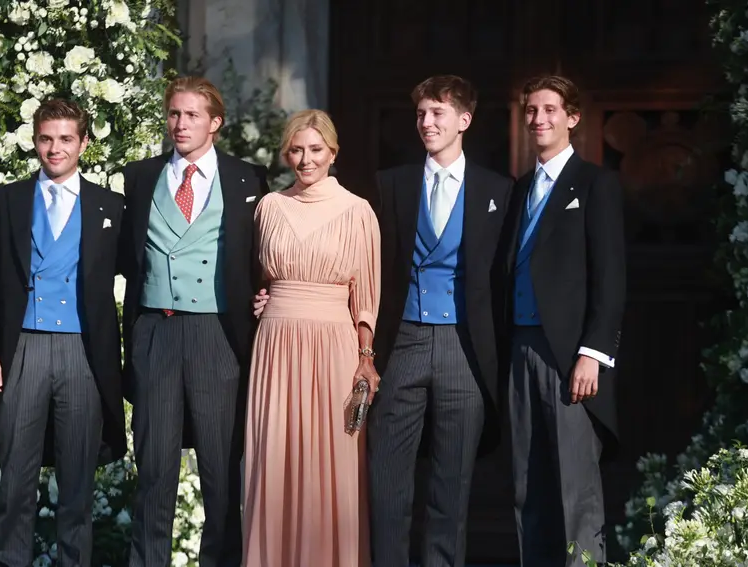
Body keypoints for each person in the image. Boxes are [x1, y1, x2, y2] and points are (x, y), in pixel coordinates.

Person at [118, 76, 269, 567]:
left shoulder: (249, 179)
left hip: (216, 336)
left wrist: (268, 294)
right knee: (154, 470)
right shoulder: (140, 177)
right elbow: (125, 255)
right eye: (174, 114)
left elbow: (260, 256)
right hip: (157, 332)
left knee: (220, 470)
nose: (180, 124)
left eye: (191, 116)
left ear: (215, 123)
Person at [0, 99, 127, 566]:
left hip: (84, 353)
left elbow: (141, 271)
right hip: (24, 350)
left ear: (83, 142)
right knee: (15, 481)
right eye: (45, 138)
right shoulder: (8, 199)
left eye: (64, 139)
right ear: (34, 140)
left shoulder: (111, 205)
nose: (54, 148)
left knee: (77, 487)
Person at [368, 75, 513, 566]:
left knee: (451, 487)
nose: (426, 123)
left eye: (438, 114)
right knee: (388, 481)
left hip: (464, 348)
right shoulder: (392, 183)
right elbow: (369, 264)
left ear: (464, 121)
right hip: (403, 341)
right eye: (421, 114)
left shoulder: (499, 190)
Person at [245, 109, 380, 567]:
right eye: (297, 150)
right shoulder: (269, 207)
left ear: (332, 153)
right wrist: (261, 300)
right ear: (286, 154)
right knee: (275, 460)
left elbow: (365, 297)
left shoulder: (357, 211)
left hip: (333, 348)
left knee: (331, 465)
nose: (305, 159)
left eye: (315, 150)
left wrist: (365, 357)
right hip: (276, 346)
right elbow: (261, 279)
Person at [500, 75, 625, 566]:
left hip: (571, 358)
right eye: (532, 110)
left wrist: (592, 354)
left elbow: (610, 278)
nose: (539, 119)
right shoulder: (523, 187)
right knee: (527, 489)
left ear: (572, 117)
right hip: (521, 351)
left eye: (550, 109)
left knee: (576, 490)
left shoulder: (596, 183)